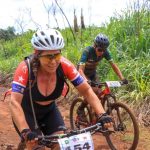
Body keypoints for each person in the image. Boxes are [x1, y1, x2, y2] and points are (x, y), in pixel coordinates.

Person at [9, 28, 113, 150]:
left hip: (49, 112)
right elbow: (14, 101)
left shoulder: (64, 65)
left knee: (62, 145)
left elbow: (86, 90)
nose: (53, 62)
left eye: (57, 55)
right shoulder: (26, 68)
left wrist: (102, 114)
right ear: (37, 54)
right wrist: (25, 131)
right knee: (36, 147)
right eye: (48, 57)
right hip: (27, 112)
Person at [77, 33, 128, 118]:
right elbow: (80, 70)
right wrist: (85, 80)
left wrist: (122, 78)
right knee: (91, 91)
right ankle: (80, 109)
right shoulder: (88, 51)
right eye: (100, 50)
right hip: (82, 74)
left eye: (104, 50)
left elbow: (114, 65)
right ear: (94, 45)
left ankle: (98, 114)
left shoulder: (105, 52)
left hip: (93, 73)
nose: (102, 52)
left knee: (100, 92)